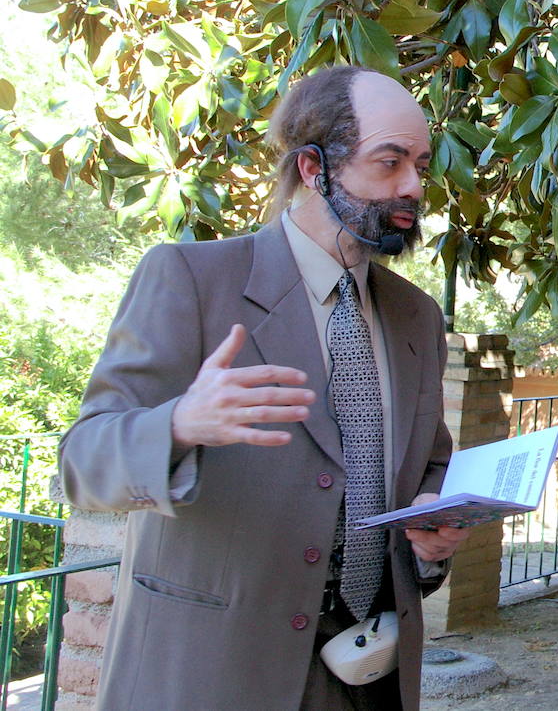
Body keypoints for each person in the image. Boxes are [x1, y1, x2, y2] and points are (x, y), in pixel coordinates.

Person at [59, 66, 469, 711]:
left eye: (419, 163)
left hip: (372, 670)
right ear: (313, 167)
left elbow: (429, 462)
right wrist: (177, 424)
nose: (413, 186)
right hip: (216, 670)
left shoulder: (416, 314)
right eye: (388, 162)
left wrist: (433, 533)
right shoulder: (192, 280)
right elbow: (84, 464)